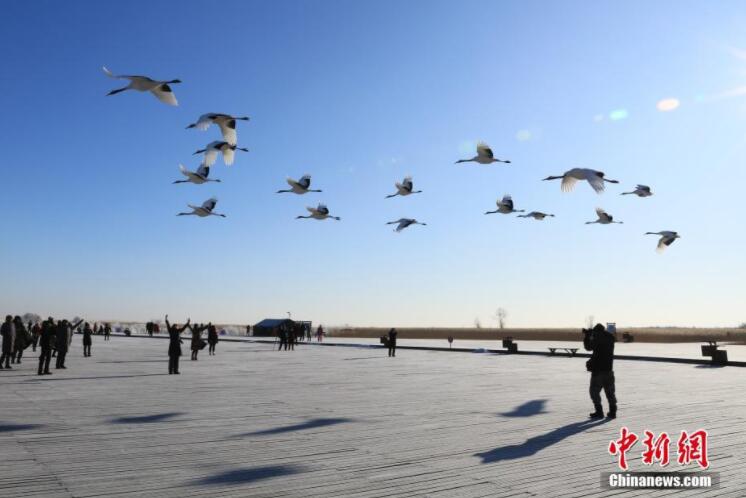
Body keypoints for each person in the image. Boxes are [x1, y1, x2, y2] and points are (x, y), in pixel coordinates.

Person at [583, 323, 617, 419]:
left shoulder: (597, 337)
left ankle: (599, 411)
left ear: (596, 331)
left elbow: (588, 347)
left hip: (598, 371)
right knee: (610, 392)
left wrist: (587, 336)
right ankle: (613, 411)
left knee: (594, 392)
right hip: (609, 370)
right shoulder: (610, 338)